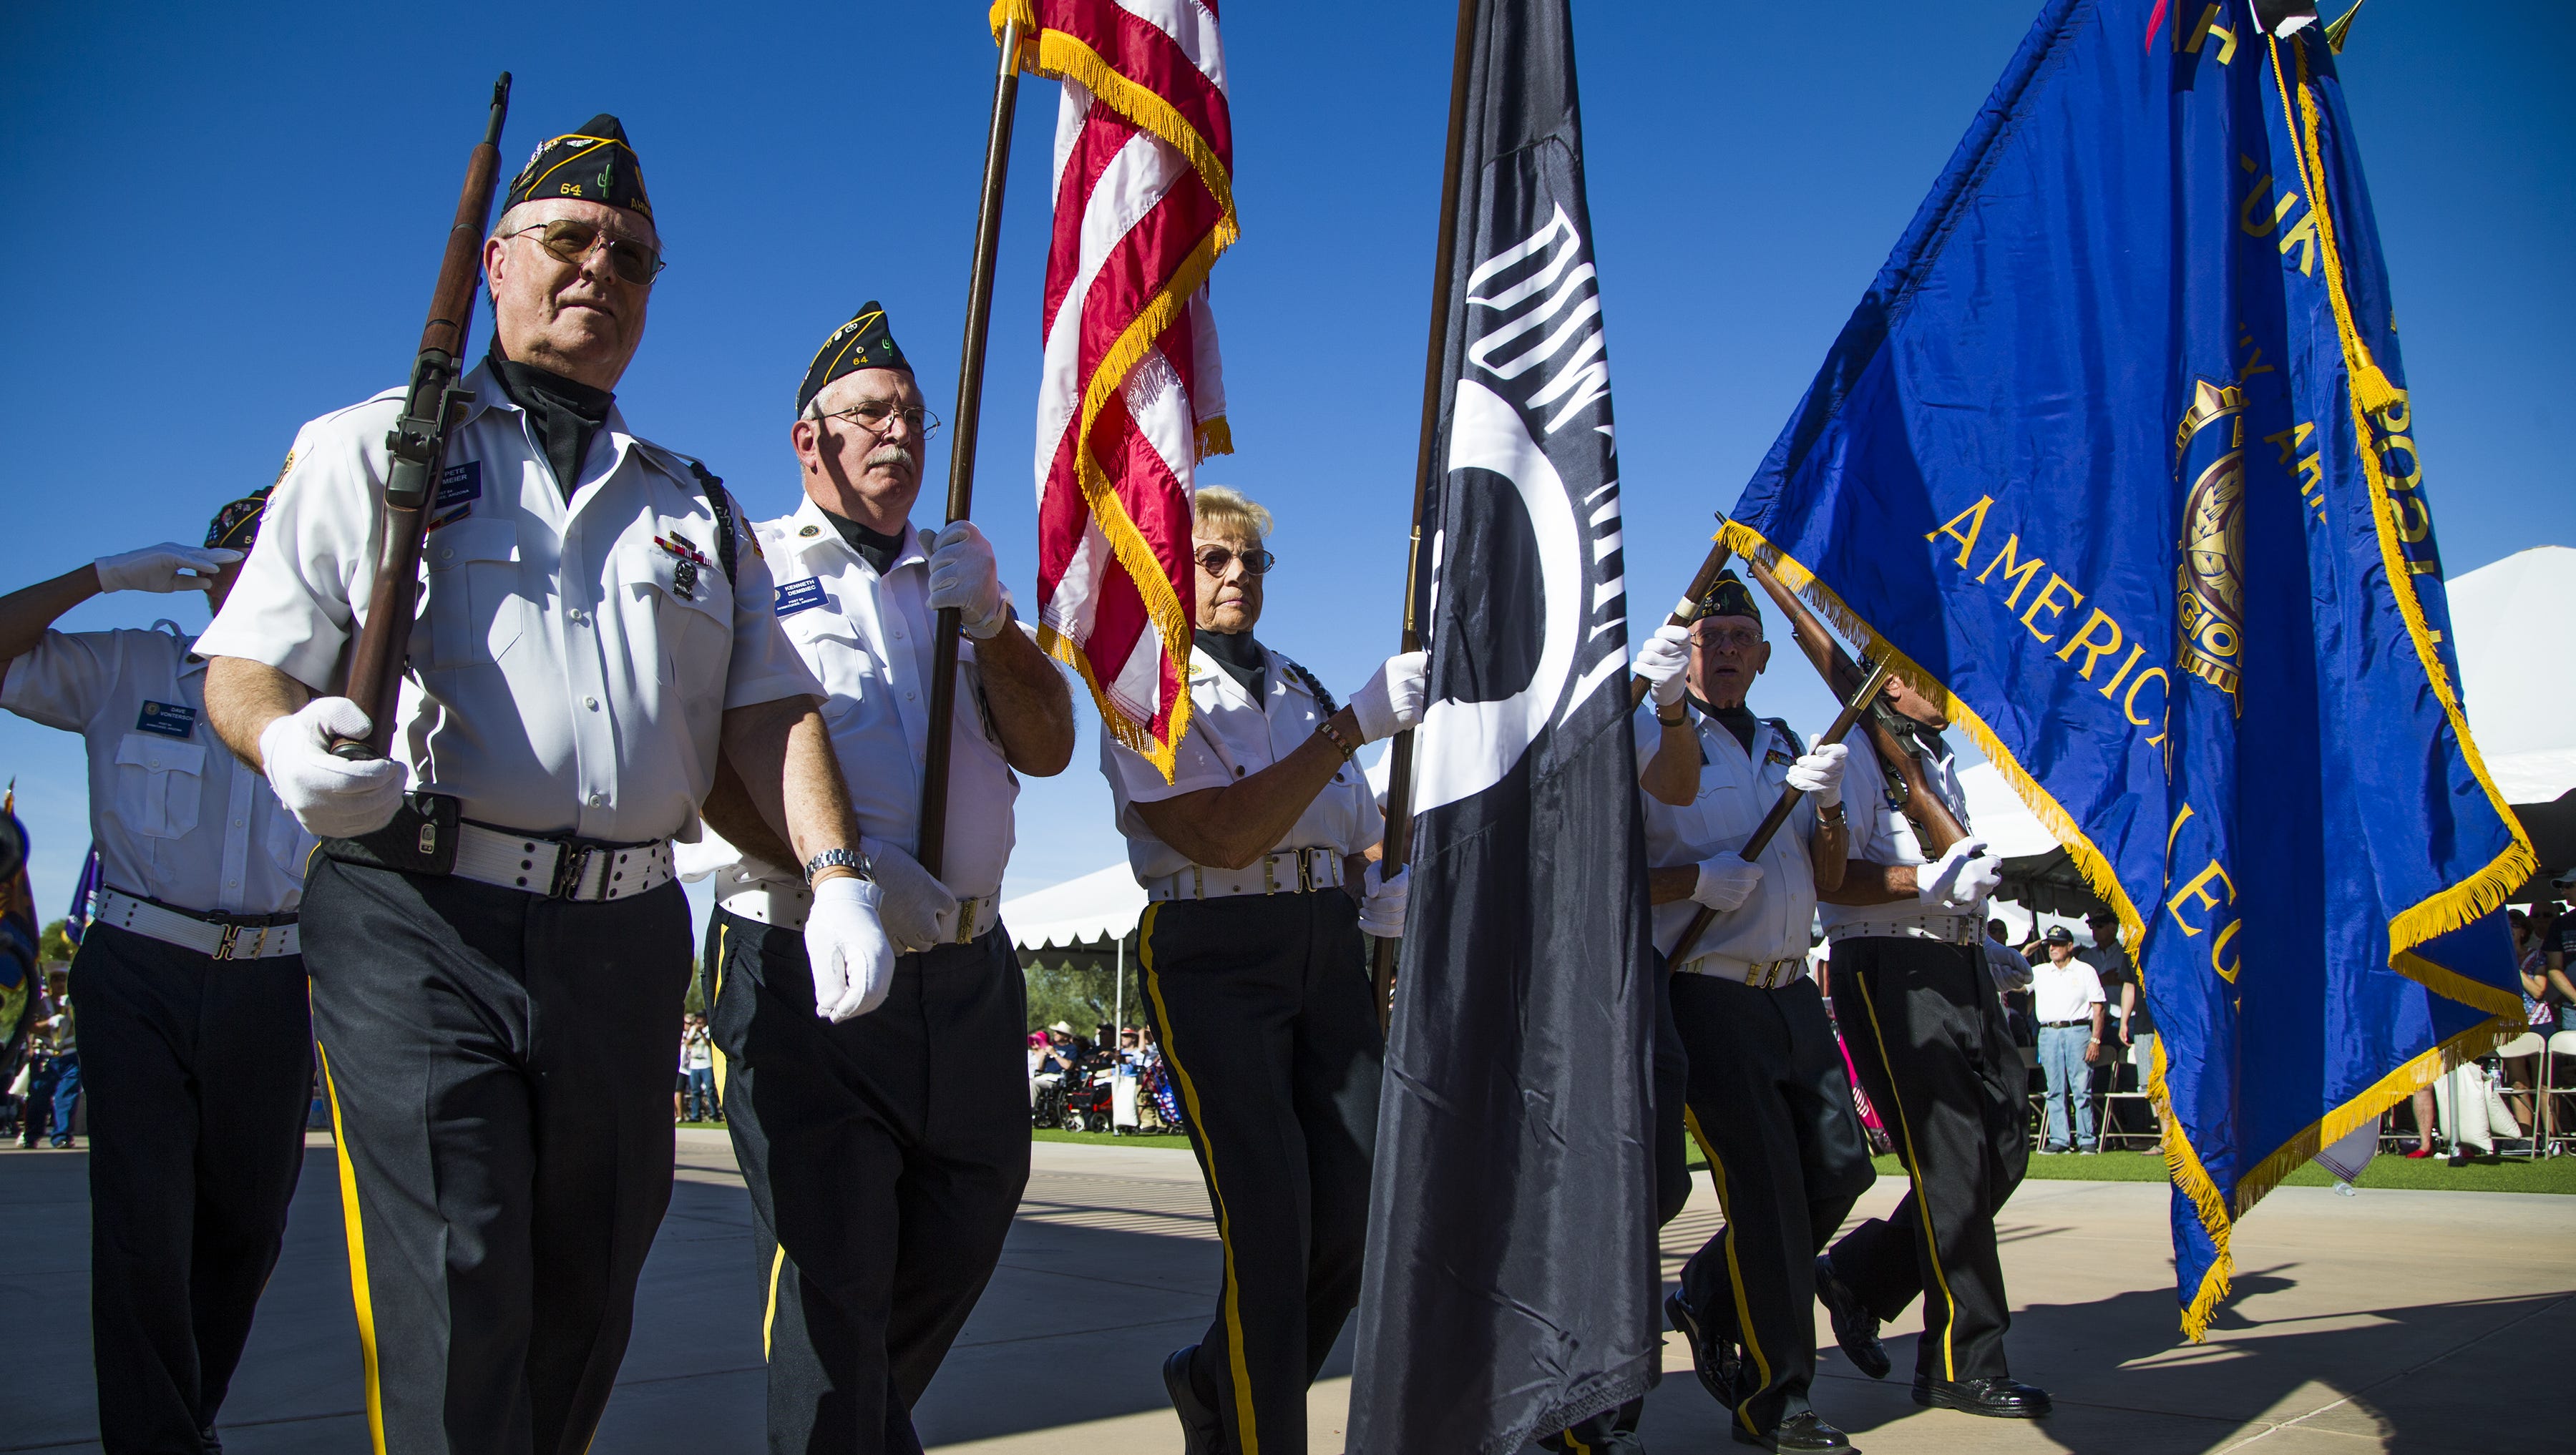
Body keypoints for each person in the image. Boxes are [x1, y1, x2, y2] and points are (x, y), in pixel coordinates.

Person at [196, 115, 892, 1452]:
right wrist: (289, 746)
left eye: (632, 254)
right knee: (463, 1278)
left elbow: (770, 715)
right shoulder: (369, 447)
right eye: (569, 240)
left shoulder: (692, 502)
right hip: (419, 917)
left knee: (587, 1287)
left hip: (625, 934)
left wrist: (839, 873)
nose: (600, 270)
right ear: (497, 261)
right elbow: (246, 665)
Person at [685, 300, 1075, 1454]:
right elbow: (710, 763)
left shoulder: (953, 571)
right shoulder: (748, 563)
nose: (897, 432)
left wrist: (998, 621)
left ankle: (847, 1421)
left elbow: (1048, 743)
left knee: (974, 1204)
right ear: (810, 441)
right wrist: (845, 872)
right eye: (869, 413)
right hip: (808, 956)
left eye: (911, 412)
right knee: (836, 1263)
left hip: (966, 967)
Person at [1101, 484, 1416, 1455]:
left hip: (1327, 941)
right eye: (1213, 559)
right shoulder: (1142, 683)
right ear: (1167, 568)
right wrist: (1354, 728)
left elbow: (1359, 833)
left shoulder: (1301, 683)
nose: (1237, 575)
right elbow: (1225, 833)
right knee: (1270, 1235)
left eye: (1252, 561)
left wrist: (1392, 883)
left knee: (1357, 1223)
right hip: (1215, 951)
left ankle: (1212, 1377)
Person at [0, 495, 316, 1453]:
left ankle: (187, 1418)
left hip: (272, 975)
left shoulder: (336, 692)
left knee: (249, 1227)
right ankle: (159, 1442)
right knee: (144, 1225)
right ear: (208, 567)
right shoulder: (129, 664)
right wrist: (97, 577)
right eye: (239, 558)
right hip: (139, 965)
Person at [1636, 572, 1871, 1455]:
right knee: (1768, 1195)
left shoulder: (1782, 741)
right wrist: (1693, 881)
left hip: (1791, 990)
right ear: (1687, 651)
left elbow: (1834, 878)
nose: (1727, 648)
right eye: (1712, 636)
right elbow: (1616, 864)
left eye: (1741, 636)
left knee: (1842, 1172)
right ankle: (1780, 1400)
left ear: (1765, 656)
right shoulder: (1649, 731)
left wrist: (1835, 802)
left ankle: (1707, 1288)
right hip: (1707, 987)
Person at [1813, 675, 2051, 1419]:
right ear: (1887, 682)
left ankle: (1865, 1276)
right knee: (1952, 1165)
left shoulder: (1932, 756)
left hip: (1958, 964)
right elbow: (1836, 880)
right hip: (1892, 968)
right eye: (1924, 673)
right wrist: (1927, 883)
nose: (1947, 685)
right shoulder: (1852, 751)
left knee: (2005, 1146)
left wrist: (1978, 940)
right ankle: (1963, 1360)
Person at [2028, 928, 2107, 1154]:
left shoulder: (2084, 971)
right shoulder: (2041, 971)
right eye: (2050, 944)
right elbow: (2017, 983)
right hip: (2049, 1032)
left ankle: (2086, 1139)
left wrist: (2095, 1039)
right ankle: (2059, 1139)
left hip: (2078, 1031)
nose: (2052, 948)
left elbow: (2099, 1007)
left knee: (2081, 1087)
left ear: (2070, 946)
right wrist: (2027, 950)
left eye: (2058, 944)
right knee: (2054, 1089)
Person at [2079, 908, 2153, 1145]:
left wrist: (2114, 981)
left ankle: (2137, 1131)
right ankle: (2108, 1133)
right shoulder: (2086, 958)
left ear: (2113, 927)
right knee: (2099, 1078)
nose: (2094, 930)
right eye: (2092, 926)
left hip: (2126, 1021)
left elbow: (2129, 985)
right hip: (2098, 1022)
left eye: (2099, 926)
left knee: (2130, 1076)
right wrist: (2105, 980)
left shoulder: (2126, 953)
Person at [682, 1013, 718, 1122]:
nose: (699, 1022)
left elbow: (709, 1044)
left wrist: (701, 1033)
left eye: (701, 1020)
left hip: (706, 1064)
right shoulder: (693, 1030)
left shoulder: (709, 1030)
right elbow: (687, 1043)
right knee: (695, 1092)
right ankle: (695, 1115)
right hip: (694, 1065)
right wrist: (694, 1033)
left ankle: (714, 1114)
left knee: (710, 1090)